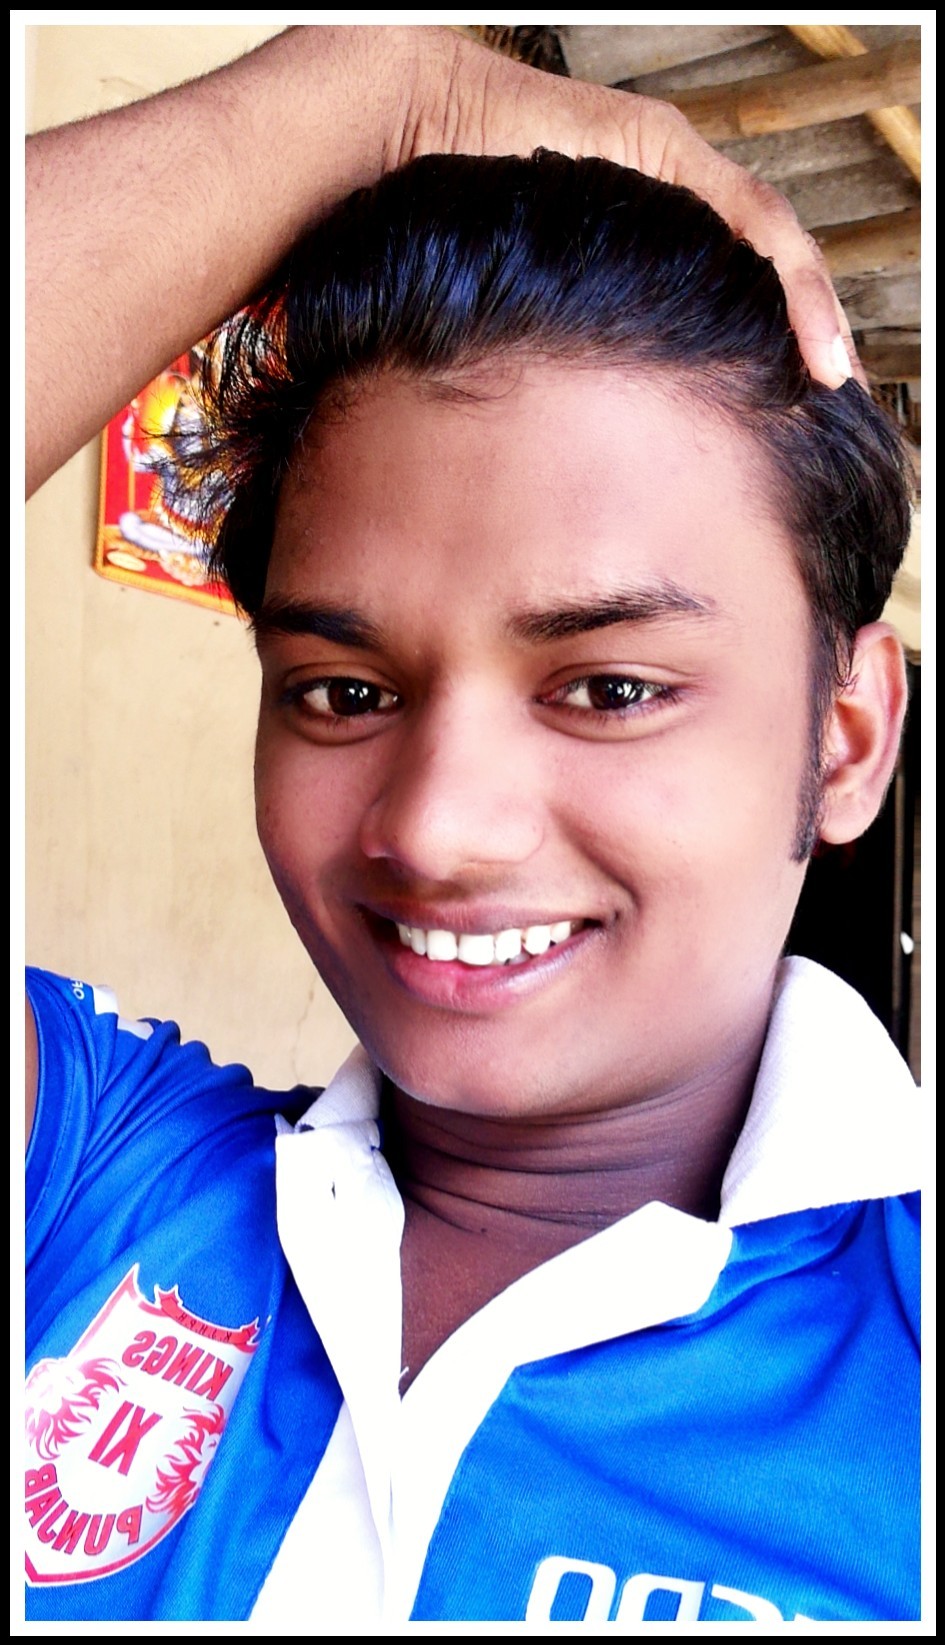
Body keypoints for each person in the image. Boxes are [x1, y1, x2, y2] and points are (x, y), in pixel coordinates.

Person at [25, 26, 920, 1625]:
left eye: (609, 688)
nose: (436, 827)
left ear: (843, 735)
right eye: (343, 691)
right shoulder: (93, 1178)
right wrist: (379, 90)